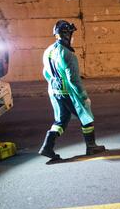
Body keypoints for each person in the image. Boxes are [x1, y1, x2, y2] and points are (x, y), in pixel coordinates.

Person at [39, 20, 105, 160]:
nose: (72, 36)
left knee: (60, 121)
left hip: (55, 92)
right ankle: (91, 146)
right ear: (66, 34)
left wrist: (55, 84)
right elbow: (73, 80)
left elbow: (45, 73)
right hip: (68, 92)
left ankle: (47, 147)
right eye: (71, 33)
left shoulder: (48, 51)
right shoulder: (68, 54)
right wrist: (83, 96)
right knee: (85, 116)